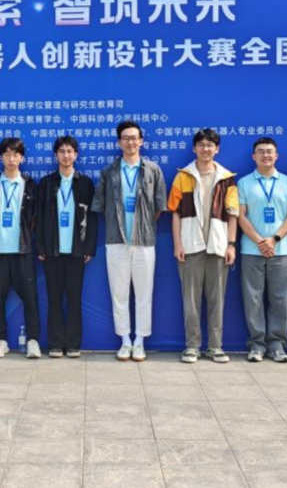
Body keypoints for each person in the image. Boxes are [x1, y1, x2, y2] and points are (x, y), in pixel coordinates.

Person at [92, 120, 167, 362]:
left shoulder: (153, 170)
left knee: (144, 293)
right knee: (119, 293)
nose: (130, 142)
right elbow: (100, 205)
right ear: (119, 142)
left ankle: (140, 341)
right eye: (125, 138)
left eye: (134, 137)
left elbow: (159, 206)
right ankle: (125, 341)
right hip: (116, 240)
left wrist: (143, 225)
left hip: (144, 241)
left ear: (141, 141)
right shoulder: (109, 171)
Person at [167, 129, 238, 364]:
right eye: (201, 145)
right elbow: (175, 212)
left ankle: (215, 346)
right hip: (190, 246)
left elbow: (233, 214)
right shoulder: (183, 176)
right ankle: (192, 346)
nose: (205, 149)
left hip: (218, 246)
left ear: (217, 149)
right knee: (190, 299)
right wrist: (177, 244)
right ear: (194, 148)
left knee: (217, 299)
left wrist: (231, 245)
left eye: (210, 145)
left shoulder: (226, 178)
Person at [237, 137, 287, 363]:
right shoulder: (244, 183)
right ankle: (257, 345)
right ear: (253, 156)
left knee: (280, 299)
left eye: (269, 151)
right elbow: (241, 216)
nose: (266, 155)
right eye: (261, 152)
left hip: (280, 250)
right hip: (251, 250)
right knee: (252, 299)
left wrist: (274, 239)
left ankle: (277, 345)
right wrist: (259, 241)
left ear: (277, 155)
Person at [35, 135, 97, 358]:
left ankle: (72, 344)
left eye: (70, 151)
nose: (66, 155)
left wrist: (89, 248)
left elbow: (92, 218)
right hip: (51, 250)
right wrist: (40, 246)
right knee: (53, 298)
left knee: (74, 298)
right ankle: (54, 343)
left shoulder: (85, 183)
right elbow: (39, 217)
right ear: (55, 155)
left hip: (76, 250)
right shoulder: (46, 183)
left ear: (76, 155)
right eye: (61, 151)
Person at [0, 138, 40, 359]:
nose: (11, 159)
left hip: (23, 252)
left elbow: (35, 219)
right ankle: (1, 341)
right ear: (1, 157)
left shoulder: (30, 185)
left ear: (22, 158)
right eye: (7, 154)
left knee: (30, 299)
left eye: (16, 154)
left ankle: (33, 341)